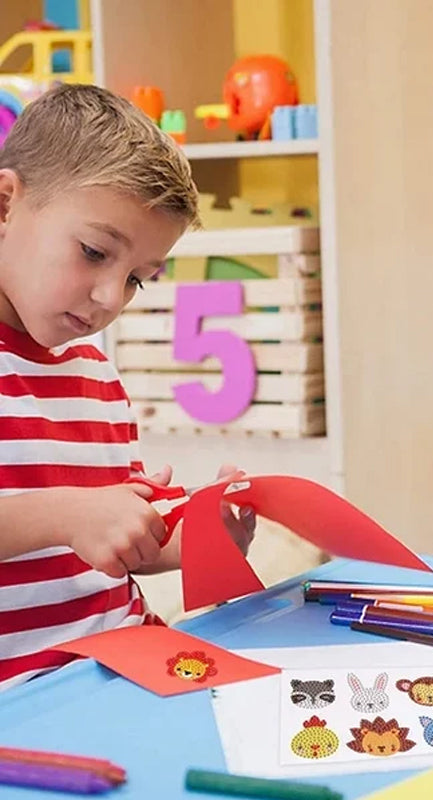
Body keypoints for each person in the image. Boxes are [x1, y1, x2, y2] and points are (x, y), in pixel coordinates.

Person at [0, 84, 255, 691]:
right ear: (5, 205)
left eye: (139, 279)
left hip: (123, 661)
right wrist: (67, 513)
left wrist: (194, 538)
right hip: (24, 692)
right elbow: (71, 521)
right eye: (93, 252)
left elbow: (105, 554)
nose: (111, 298)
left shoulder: (92, 370)